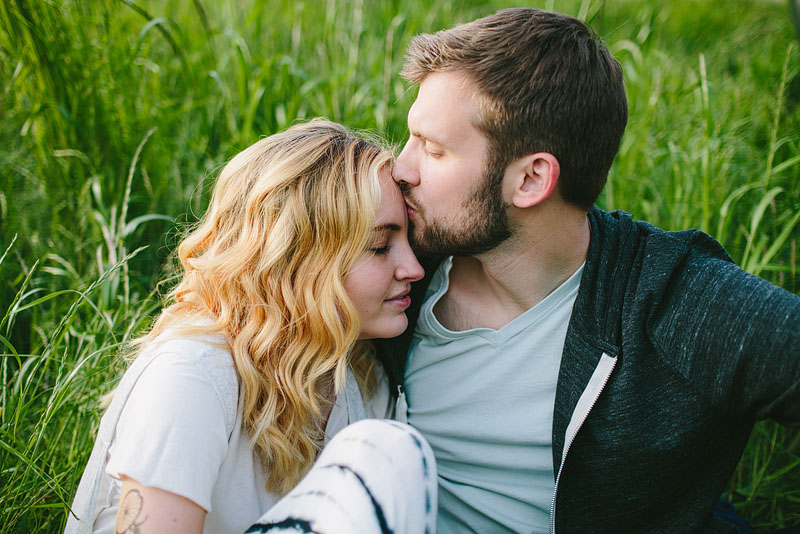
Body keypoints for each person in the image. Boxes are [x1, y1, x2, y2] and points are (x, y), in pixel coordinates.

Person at [376, 8, 800, 534]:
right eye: (411, 137)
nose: (402, 168)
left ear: (531, 179)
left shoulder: (666, 300)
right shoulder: (387, 257)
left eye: (434, 150)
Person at [65, 119, 436, 534]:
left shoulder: (358, 376)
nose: (414, 268)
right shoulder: (192, 376)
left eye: (408, 240)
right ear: (297, 262)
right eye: (380, 246)